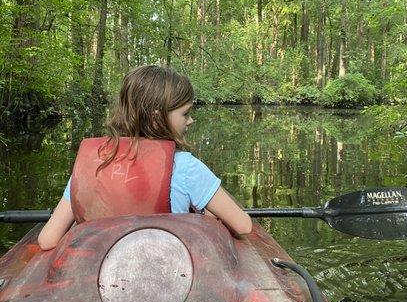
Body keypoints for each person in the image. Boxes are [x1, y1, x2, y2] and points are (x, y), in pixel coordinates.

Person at [38, 65, 252, 250]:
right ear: (157, 118)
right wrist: (206, 216)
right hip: (166, 273)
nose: (190, 120)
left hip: (101, 278)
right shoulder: (186, 167)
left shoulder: (93, 163)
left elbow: (47, 240)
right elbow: (243, 225)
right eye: (185, 113)